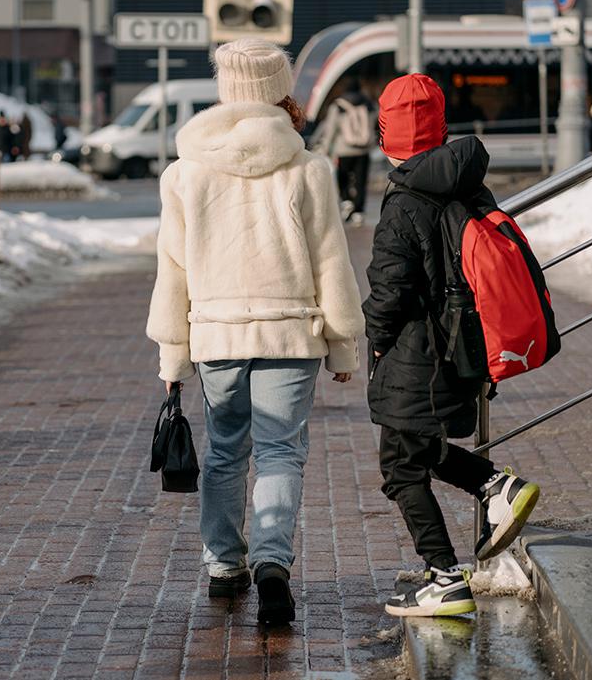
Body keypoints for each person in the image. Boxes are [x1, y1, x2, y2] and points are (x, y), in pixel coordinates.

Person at [147, 38, 365, 626]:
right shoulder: (308, 168)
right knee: (279, 453)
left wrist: (173, 356)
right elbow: (331, 262)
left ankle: (224, 566)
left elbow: (173, 270)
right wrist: (343, 341)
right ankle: (273, 565)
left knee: (224, 452)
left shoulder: (185, 174)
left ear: (226, 89)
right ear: (278, 90)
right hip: (290, 334)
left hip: (216, 335)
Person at [363, 74, 540, 619]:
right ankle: (495, 485)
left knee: (399, 465)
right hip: (462, 345)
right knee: (414, 448)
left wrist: (374, 343)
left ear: (386, 132)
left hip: (419, 351)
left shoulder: (403, 201)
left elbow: (390, 291)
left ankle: (443, 577)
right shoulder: (465, 180)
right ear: (439, 126)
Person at [314, 79, 376, 226]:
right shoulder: (368, 104)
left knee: (343, 177)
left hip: (343, 150)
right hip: (363, 150)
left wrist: (326, 149)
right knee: (361, 180)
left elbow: (331, 130)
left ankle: (347, 200)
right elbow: (374, 124)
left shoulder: (338, 106)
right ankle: (359, 212)